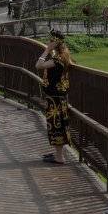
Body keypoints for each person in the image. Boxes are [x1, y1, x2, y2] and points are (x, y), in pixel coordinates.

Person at [35, 30, 73, 165]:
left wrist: (46, 51)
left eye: (50, 41)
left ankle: (59, 157)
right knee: (58, 124)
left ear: (54, 43)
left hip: (55, 97)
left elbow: (38, 65)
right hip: (58, 95)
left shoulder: (57, 60)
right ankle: (58, 154)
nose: (47, 42)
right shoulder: (64, 55)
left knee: (56, 125)